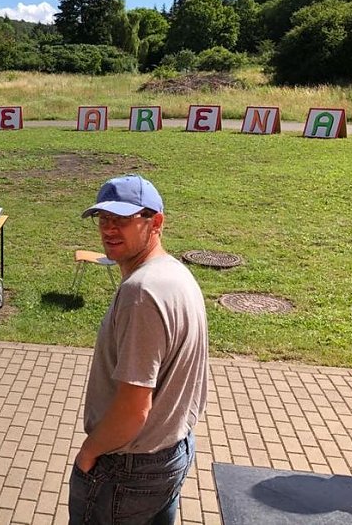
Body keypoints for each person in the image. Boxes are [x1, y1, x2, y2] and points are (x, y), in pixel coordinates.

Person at [69, 175, 208, 525]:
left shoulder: (142, 293)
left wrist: (89, 453)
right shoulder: (175, 273)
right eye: (103, 219)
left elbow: (134, 408)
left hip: (128, 470)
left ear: (156, 222)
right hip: (170, 452)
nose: (109, 229)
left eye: (123, 219)